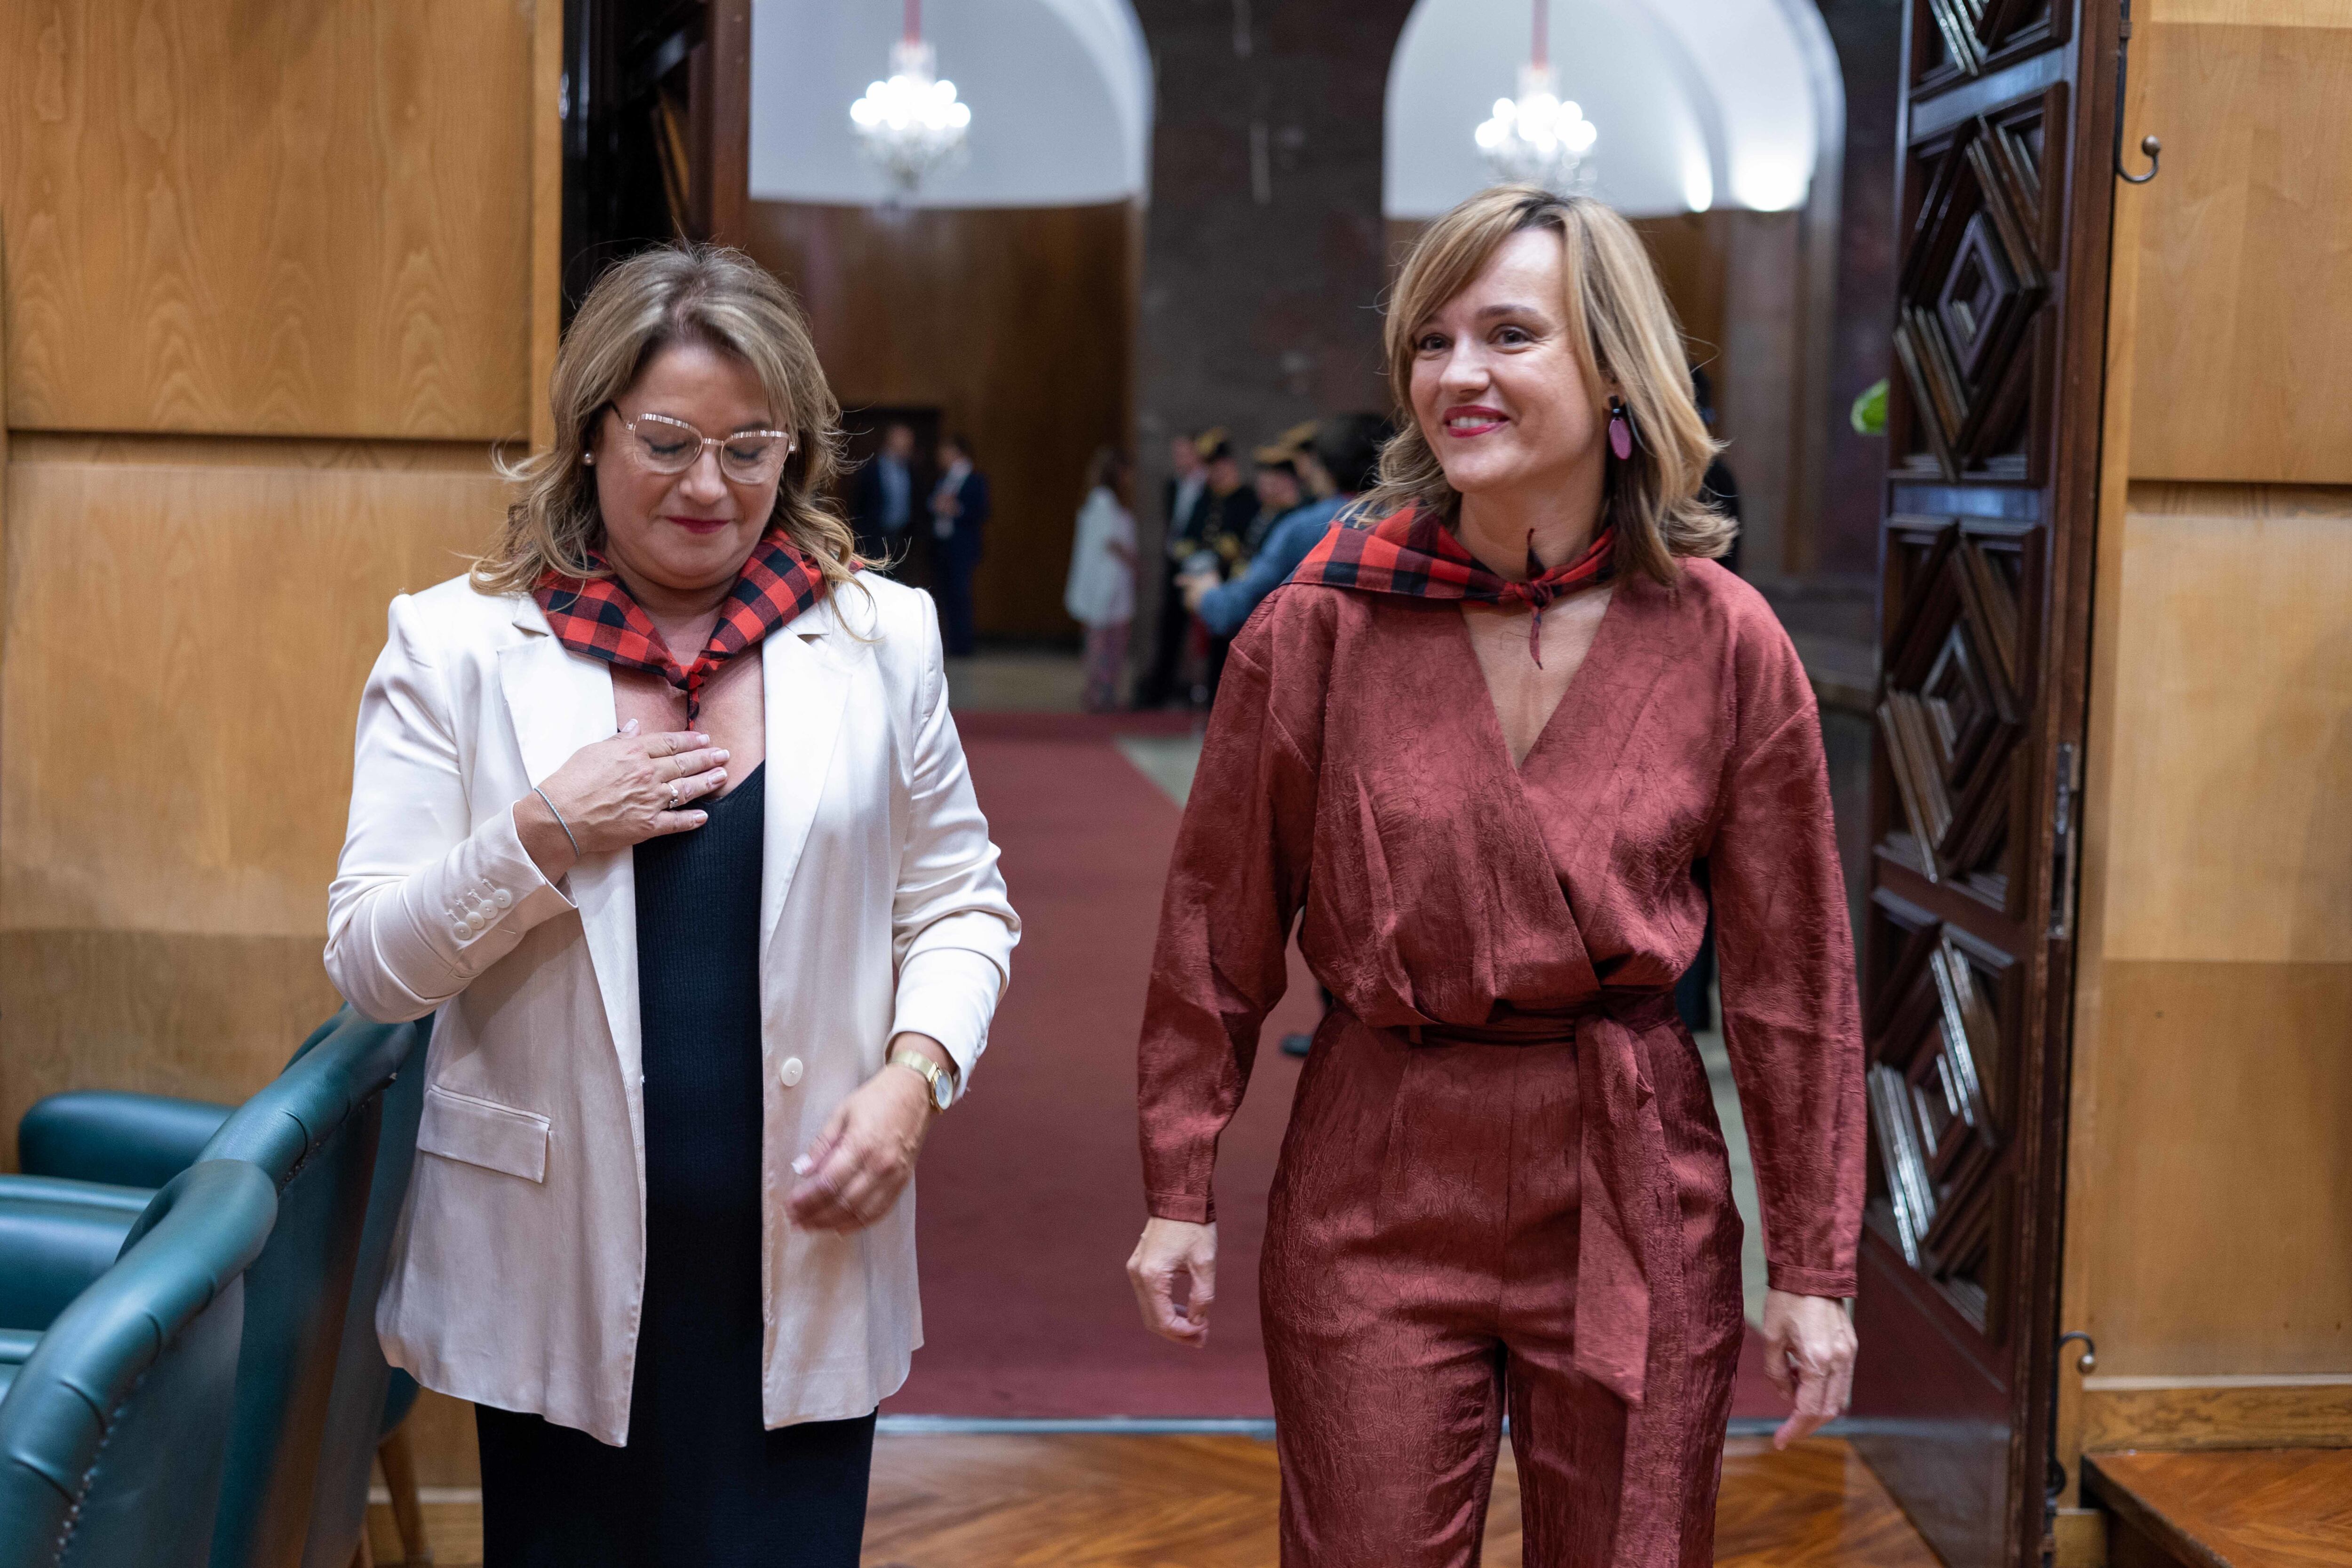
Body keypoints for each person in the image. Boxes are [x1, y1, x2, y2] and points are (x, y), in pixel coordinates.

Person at [1126, 186, 1862, 1568]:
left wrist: (1813, 1265)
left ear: (1613, 368)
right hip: (1376, 1168)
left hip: (1630, 1175)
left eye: (1508, 334)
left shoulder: (1722, 641)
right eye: (1431, 340)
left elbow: (1792, 979)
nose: (1456, 374)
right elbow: (1215, 920)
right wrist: (1179, 1178)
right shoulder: (1317, 628)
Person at [326, 244, 1019, 1568]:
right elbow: (371, 963)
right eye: (666, 442)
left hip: (804, 1258)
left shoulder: (883, 641)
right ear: (590, 435)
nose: (711, 486)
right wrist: (542, 830)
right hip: (555, 1268)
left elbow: (961, 906)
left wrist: (914, 1076)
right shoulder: (458, 647)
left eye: (751, 448)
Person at [1184, 413, 1389, 640]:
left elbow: (1234, 607)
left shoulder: (1305, 526)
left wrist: (1205, 595)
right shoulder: (1409, 518)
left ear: (1324, 469)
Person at [1138, 430, 1214, 708]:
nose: (1178, 459)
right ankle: (1160, 689)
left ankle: (1199, 690)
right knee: (1169, 625)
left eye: (1184, 453)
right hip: (1174, 563)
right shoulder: (1172, 485)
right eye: (1176, 454)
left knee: (1201, 631)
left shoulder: (1208, 485)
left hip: (1201, 565)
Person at [1065, 446, 1138, 711]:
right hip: (1105, 580)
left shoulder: (1112, 501)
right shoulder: (1103, 500)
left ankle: (1106, 689)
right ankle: (1097, 690)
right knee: (1101, 638)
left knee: (1112, 638)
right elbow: (1111, 542)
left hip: (1113, 581)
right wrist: (1136, 562)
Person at [928, 432, 990, 657]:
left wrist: (958, 509)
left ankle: (963, 646)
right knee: (945, 595)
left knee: (960, 596)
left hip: (962, 547)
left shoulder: (974, 479)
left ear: (956, 452)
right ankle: (951, 642)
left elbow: (981, 510)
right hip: (943, 545)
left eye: (945, 451)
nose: (940, 456)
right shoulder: (944, 478)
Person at [850, 420, 920, 570]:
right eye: (903, 440)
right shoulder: (871, 469)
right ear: (891, 441)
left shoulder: (912, 470)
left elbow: (916, 503)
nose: (907, 445)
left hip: (903, 538)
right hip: (874, 538)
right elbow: (859, 504)